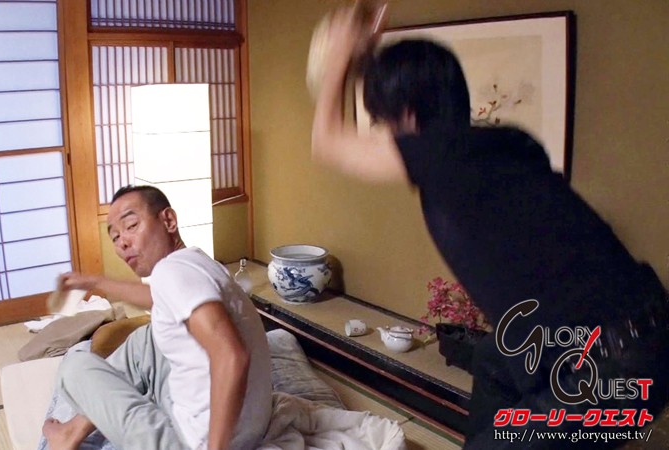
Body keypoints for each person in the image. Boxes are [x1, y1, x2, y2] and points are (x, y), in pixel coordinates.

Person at [311, 7, 669, 449]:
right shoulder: (495, 147)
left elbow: (327, 141)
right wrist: (363, 55)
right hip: (626, 335)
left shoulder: (446, 156)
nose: (381, 137)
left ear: (408, 115)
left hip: (614, 365)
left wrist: (338, 60)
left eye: (382, 122)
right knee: (493, 360)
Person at [42, 185, 272, 450]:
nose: (122, 243)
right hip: (250, 429)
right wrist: (94, 282)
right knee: (146, 338)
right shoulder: (196, 262)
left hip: (195, 442)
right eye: (115, 237)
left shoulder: (170, 272)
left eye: (131, 226)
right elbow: (157, 298)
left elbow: (231, 356)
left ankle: (73, 428)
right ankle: (76, 427)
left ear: (169, 220)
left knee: (73, 363)